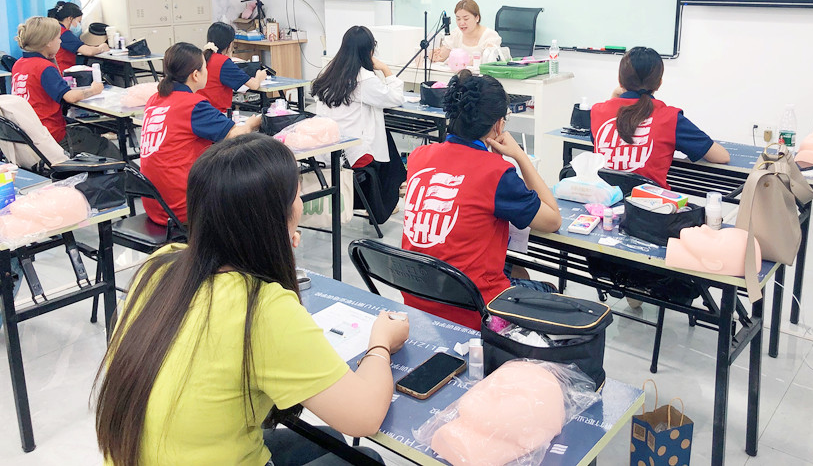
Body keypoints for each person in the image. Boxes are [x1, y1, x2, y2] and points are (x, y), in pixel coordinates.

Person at [94, 133, 408, 465]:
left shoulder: (160, 266)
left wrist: (272, 248)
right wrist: (381, 344)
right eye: (296, 196)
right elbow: (364, 417)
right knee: (367, 459)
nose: (300, 204)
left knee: (330, 440)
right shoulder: (262, 309)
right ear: (275, 218)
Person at [401, 70, 562, 329]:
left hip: (419, 296)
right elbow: (553, 220)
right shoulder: (496, 173)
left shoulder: (419, 156)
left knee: (515, 270)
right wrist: (519, 156)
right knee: (550, 289)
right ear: (498, 125)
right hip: (474, 307)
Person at [140, 42, 262, 226]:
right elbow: (235, 135)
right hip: (183, 206)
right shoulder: (192, 105)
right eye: (205, 68)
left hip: (156, 204)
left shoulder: (155, 99)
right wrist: (255, 122)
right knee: (250, 193)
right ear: (195, 75)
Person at [590, 46, 729, 189]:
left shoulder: (597, 111)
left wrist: (614, 97)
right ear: (659, 83)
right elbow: (722, 157)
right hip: (649, 201)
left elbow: (599, 141)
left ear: (620, 81)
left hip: (604, 200)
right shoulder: (670, 118)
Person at [312, 26, 406, 222]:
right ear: (369, 51)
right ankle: (380, 205)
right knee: (389, 157)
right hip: (350, 153)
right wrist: (385, 69)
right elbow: (395, 98)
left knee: (386, 141)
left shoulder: (328, 72)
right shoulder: (364, 79)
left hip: (325, 149)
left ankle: (383, 199)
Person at [11, 16, 119, 159]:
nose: (60, 42)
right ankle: (122, 172)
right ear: (48, 42)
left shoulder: (19, 64)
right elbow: (70, 97)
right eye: (58, 38)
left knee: (83, 130)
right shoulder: (44, 67)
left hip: (28, 133)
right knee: (104, 145)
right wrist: (94, 90)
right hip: (51, 136)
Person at [197, 22, 268, 112]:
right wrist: (259, 77)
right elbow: (254, 85)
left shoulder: (201, 57)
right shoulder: (223, 62)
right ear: (230, 44)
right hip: (217, 113)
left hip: (199, 111)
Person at [430, 0, 502, 63]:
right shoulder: (456, 33)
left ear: (477, 18)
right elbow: (442, 55)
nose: (461, 23)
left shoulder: (490, 36)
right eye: (458, 19)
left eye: (466, 19)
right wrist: (435, 55)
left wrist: (463, 62)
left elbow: (489, 61)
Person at [47, 1, 110, 73]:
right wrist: (101, 48)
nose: (79, 25)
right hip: (63, 71)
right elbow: (88, 51)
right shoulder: (64, 33)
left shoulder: (53, 29)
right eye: (78, 21)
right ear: (70, 19)